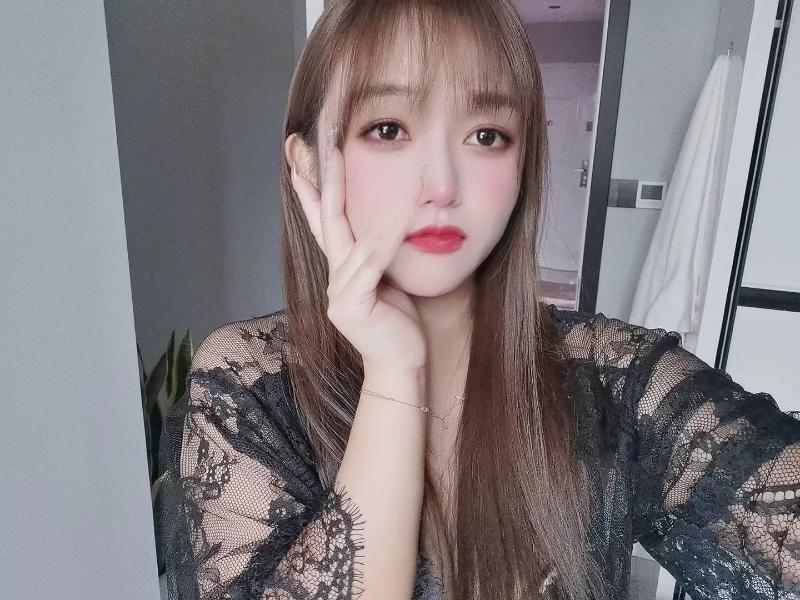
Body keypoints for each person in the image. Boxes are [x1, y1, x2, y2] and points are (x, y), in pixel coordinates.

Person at [157, 1, 800, 599]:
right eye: (388, 129)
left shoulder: (613, 380)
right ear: (308, 164)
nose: (441, 184)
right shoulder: (248, 385)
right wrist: (393, 373)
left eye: (487, 135)